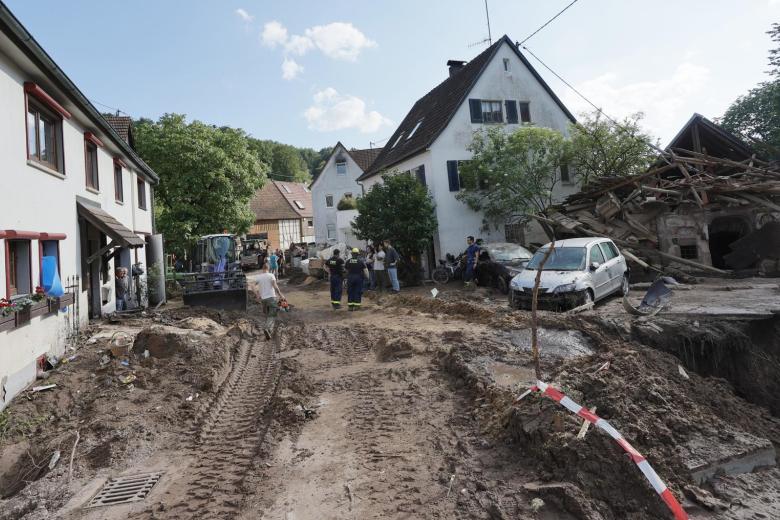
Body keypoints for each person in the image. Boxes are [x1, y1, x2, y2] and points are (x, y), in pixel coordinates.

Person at [250, 261, 285, 339]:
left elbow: (252, 285)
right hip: (271, 298)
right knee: (272, 315)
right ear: (268, 268)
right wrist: (280, 294)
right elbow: (275, 286)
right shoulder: (271, 275)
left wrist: (257, 295)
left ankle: (269, 330)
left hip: (263, 299)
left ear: (262, 269)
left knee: (268, 315)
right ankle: (266, 328)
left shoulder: (259, 277)